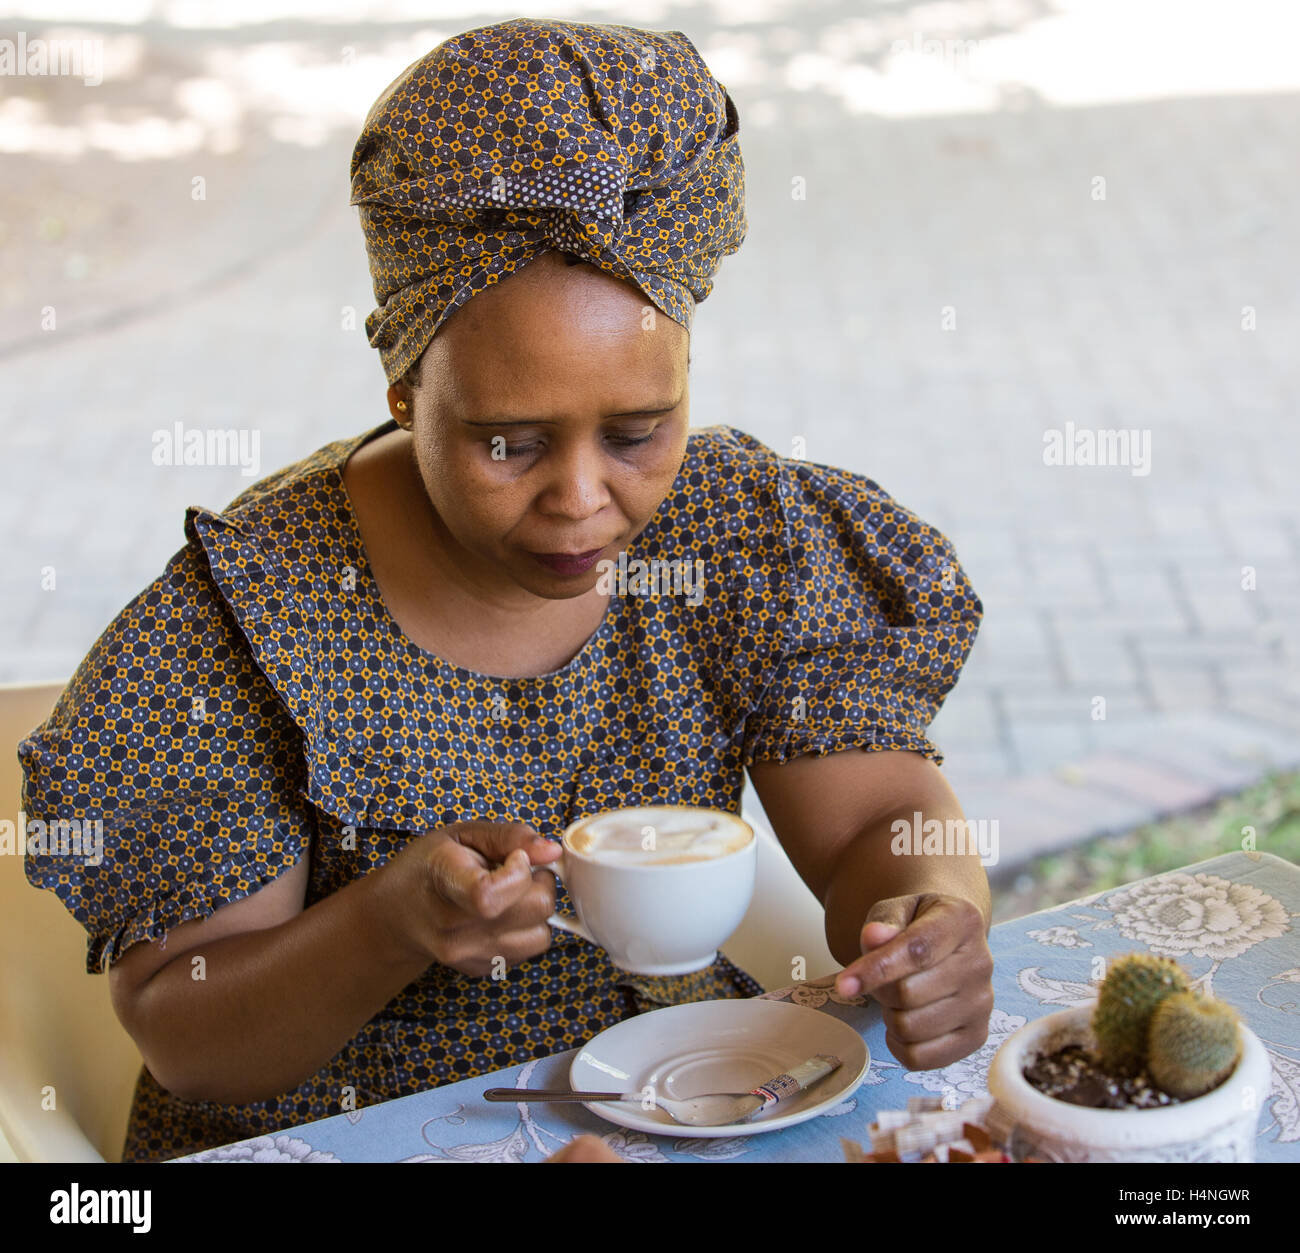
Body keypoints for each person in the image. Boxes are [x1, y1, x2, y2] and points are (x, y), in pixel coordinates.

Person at [20, 19, 992, 1164]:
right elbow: (192, 1035)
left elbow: (883, 820)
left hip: (673, 1103)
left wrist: (925, 916)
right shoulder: (249, 622)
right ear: (402, 386)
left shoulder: (741, 533)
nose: (582, 499)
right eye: (508, 442)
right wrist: (389, 921)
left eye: (638, 430)